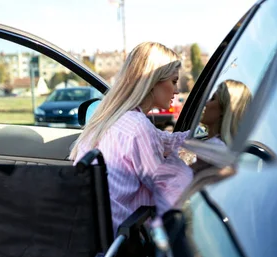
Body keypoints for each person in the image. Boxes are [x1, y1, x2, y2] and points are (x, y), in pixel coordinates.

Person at [70, 42, 192, 234]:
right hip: (121, 246)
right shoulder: (137, 127)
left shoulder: (109, 118)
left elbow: (162, 139)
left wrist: (197, 138)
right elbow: (168, 190)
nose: (177, 91)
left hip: (88, 239)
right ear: (153, 81)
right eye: (174, 81)